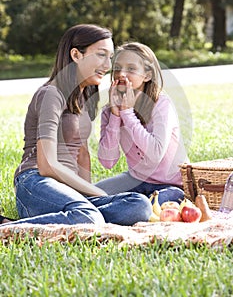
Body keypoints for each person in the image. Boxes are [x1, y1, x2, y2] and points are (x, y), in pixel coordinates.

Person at [0, 25, 152, 226]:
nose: (107, 65)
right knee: (89, 216)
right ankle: (8, 227)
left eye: (110, 57)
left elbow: (82, 154)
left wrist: (88, 194)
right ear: (76, 55)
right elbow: (47, 165)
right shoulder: (51, 94)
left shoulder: (83, 97)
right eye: (100, 55)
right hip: (36, 182)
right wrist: (97, 193)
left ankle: (71, 217)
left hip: (67, 190)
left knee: (139, 205)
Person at [96, 42, 188, 204]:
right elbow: (108, 162)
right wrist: (116, 117)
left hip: (172, 185)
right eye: (117, 68)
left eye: (131, 69)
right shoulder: (108, 112)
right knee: (89, 194)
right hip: (136, 179)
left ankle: (122, 207)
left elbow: (155, 154)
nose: (121, 74)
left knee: (144, 205)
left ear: (147, 75)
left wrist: (127, 114)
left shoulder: (161, 105)